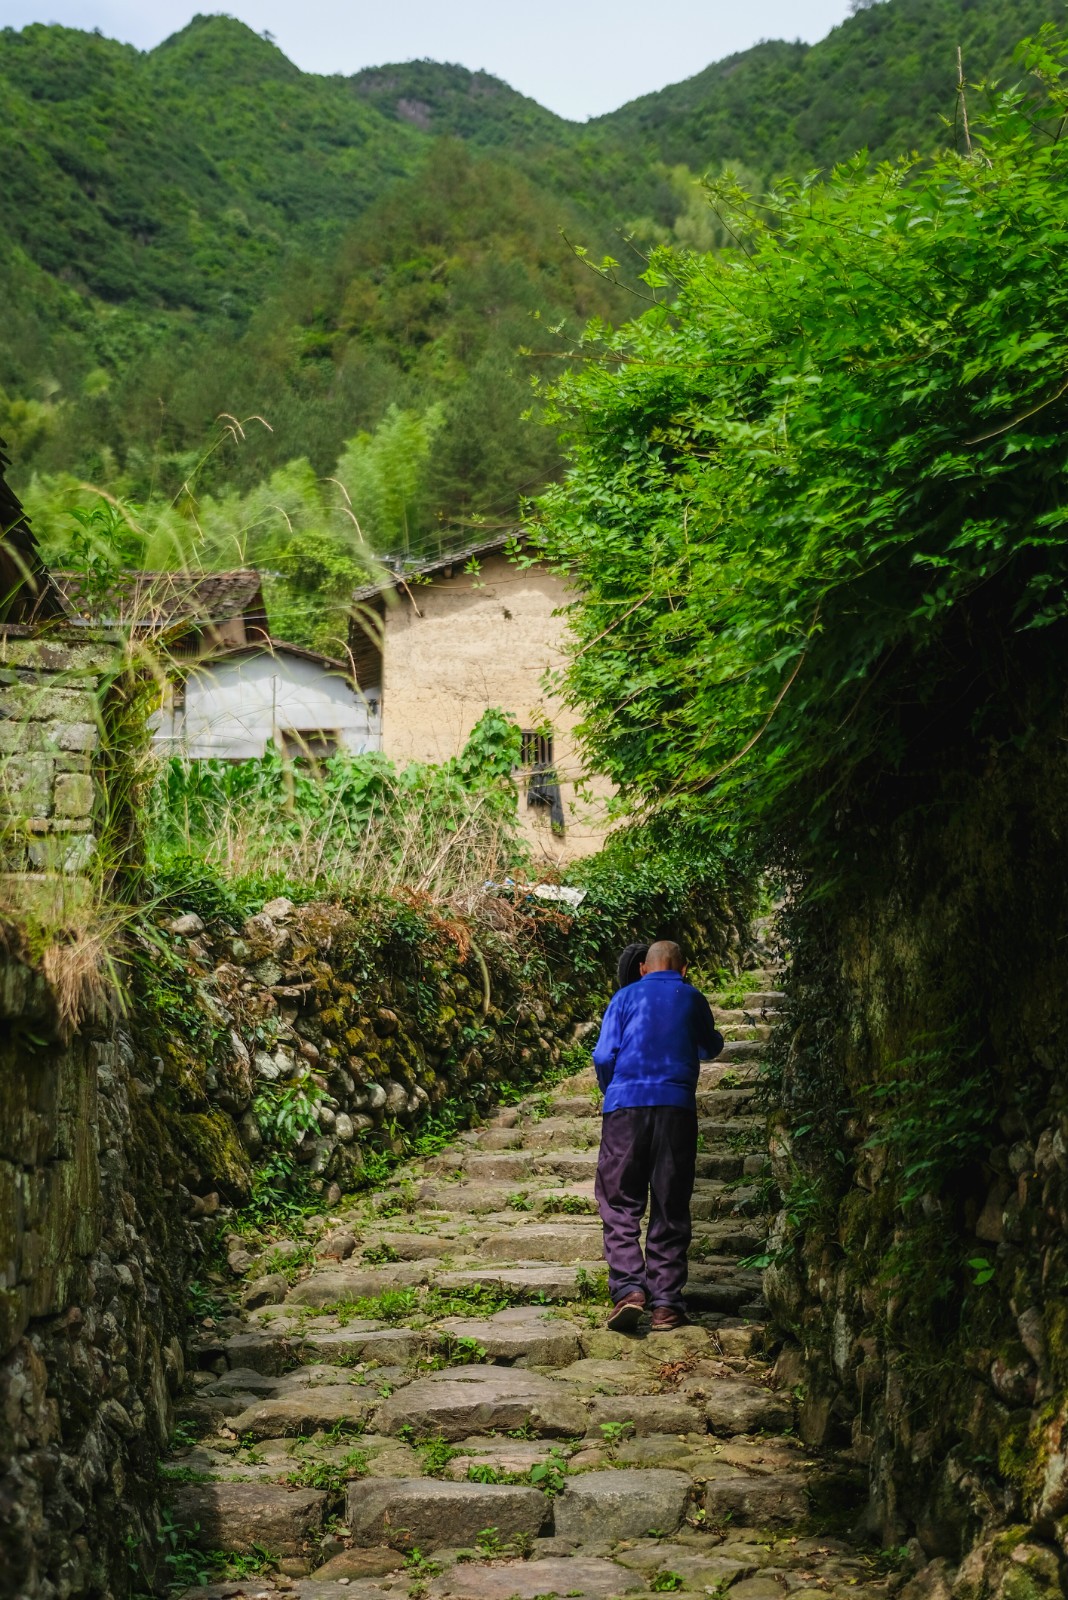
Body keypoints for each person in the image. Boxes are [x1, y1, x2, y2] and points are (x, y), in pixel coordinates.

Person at [592, 939, 724, 1333]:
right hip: (675, 1110)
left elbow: (602, 1056)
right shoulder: (692, 996)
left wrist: (612, 1090)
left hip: (624, 1110)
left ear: (644, 969)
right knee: (670, 1203)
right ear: (684, 969)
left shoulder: (624, 997)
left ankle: (630, 1290)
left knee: (619, 1201)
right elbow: (710, 1046)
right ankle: (666, 1304)